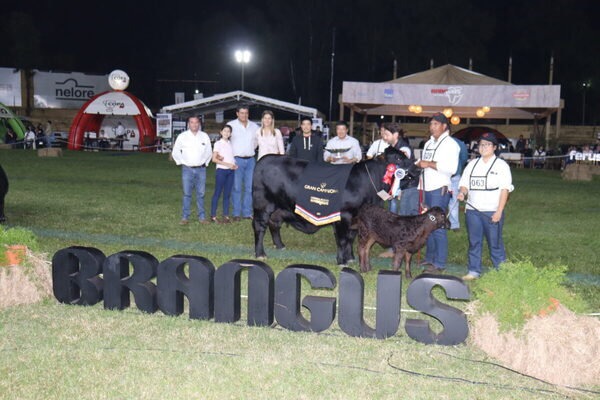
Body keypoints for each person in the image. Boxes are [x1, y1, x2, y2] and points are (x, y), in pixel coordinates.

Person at [457, 132, 514, 280]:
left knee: (495, 243)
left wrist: (499, 211)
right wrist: (462, 193)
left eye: (488, 144)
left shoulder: (501, 166)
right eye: (481, 144)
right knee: (474, 242)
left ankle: (502, 272)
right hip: (472, 210)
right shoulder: (471, 164)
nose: (484, 147)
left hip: (491, 211)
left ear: (494, 147)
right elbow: (464, 184)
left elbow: (505, 190)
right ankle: (474, 271)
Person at [415, 112, 460, 273]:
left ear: (444, 126)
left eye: (435, 124)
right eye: (431, 124)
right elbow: (423, 163)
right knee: (427, 225)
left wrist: (429, 164)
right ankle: (430, 258)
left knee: (438, 226)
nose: (432, 127)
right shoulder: (428, 143)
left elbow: (452, 168)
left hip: (439, 189)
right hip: (425, 187)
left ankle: (439, 263)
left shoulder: (450, 144)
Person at [378, 122, 419, 258]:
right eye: (384, 134)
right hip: (396, 189)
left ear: (395, 135)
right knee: (394, 219)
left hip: (407, 187)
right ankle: (395, 248)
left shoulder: (404, 149)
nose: (384, 136)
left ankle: (404, 249)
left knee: (404, 219)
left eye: (387, 134)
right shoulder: (392, 148)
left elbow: (404, 169)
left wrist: (399, 188)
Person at [171, 116, 213, 225]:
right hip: (187, 169)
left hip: (201, 169)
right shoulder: (182, 136)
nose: (194, 124)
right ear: (188, 124)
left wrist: (204, 162)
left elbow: (209, 151)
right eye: (191, 122)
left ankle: (202, 217)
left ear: (199, 124)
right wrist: (182, 162)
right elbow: (175, 152)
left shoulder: (204, 136)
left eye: (196, 122)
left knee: (201, 193)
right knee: (187, 193)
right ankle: (185, 217)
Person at [228, 105, 259, 221]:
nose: (244, 115)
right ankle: (236, 213)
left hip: (251, 160)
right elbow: (226, 141)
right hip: (237, 160)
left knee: (249, 188)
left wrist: (249, 150)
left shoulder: (254, 126)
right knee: (236, 187)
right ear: (237, 113)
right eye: (241, 113)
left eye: (246, 113)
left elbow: (256, 142)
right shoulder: (231, 125)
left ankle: (247, 213)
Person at [210, 124, 237, 223]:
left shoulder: (230, 143)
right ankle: (213, 215)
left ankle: (226, 215)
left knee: (227, 194)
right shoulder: (218, 143)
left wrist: (234, 165)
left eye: (228, 131)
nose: (226, 133)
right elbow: (214, 159)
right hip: (221, 170)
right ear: (221, 132)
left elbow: (230, 157)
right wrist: (227, 164)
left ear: (230, 134)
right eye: (225, 131)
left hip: (231, 171)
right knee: (217, 193)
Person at [448, 137, 469, 231]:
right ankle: (452, 224)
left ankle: (454, 224)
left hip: (454, 176)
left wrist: (458, 166)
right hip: (444, 176)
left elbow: (464, 157)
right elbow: (464, 157)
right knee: (452, 200)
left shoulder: (458, 143)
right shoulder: (459, 142)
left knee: (454, 200)